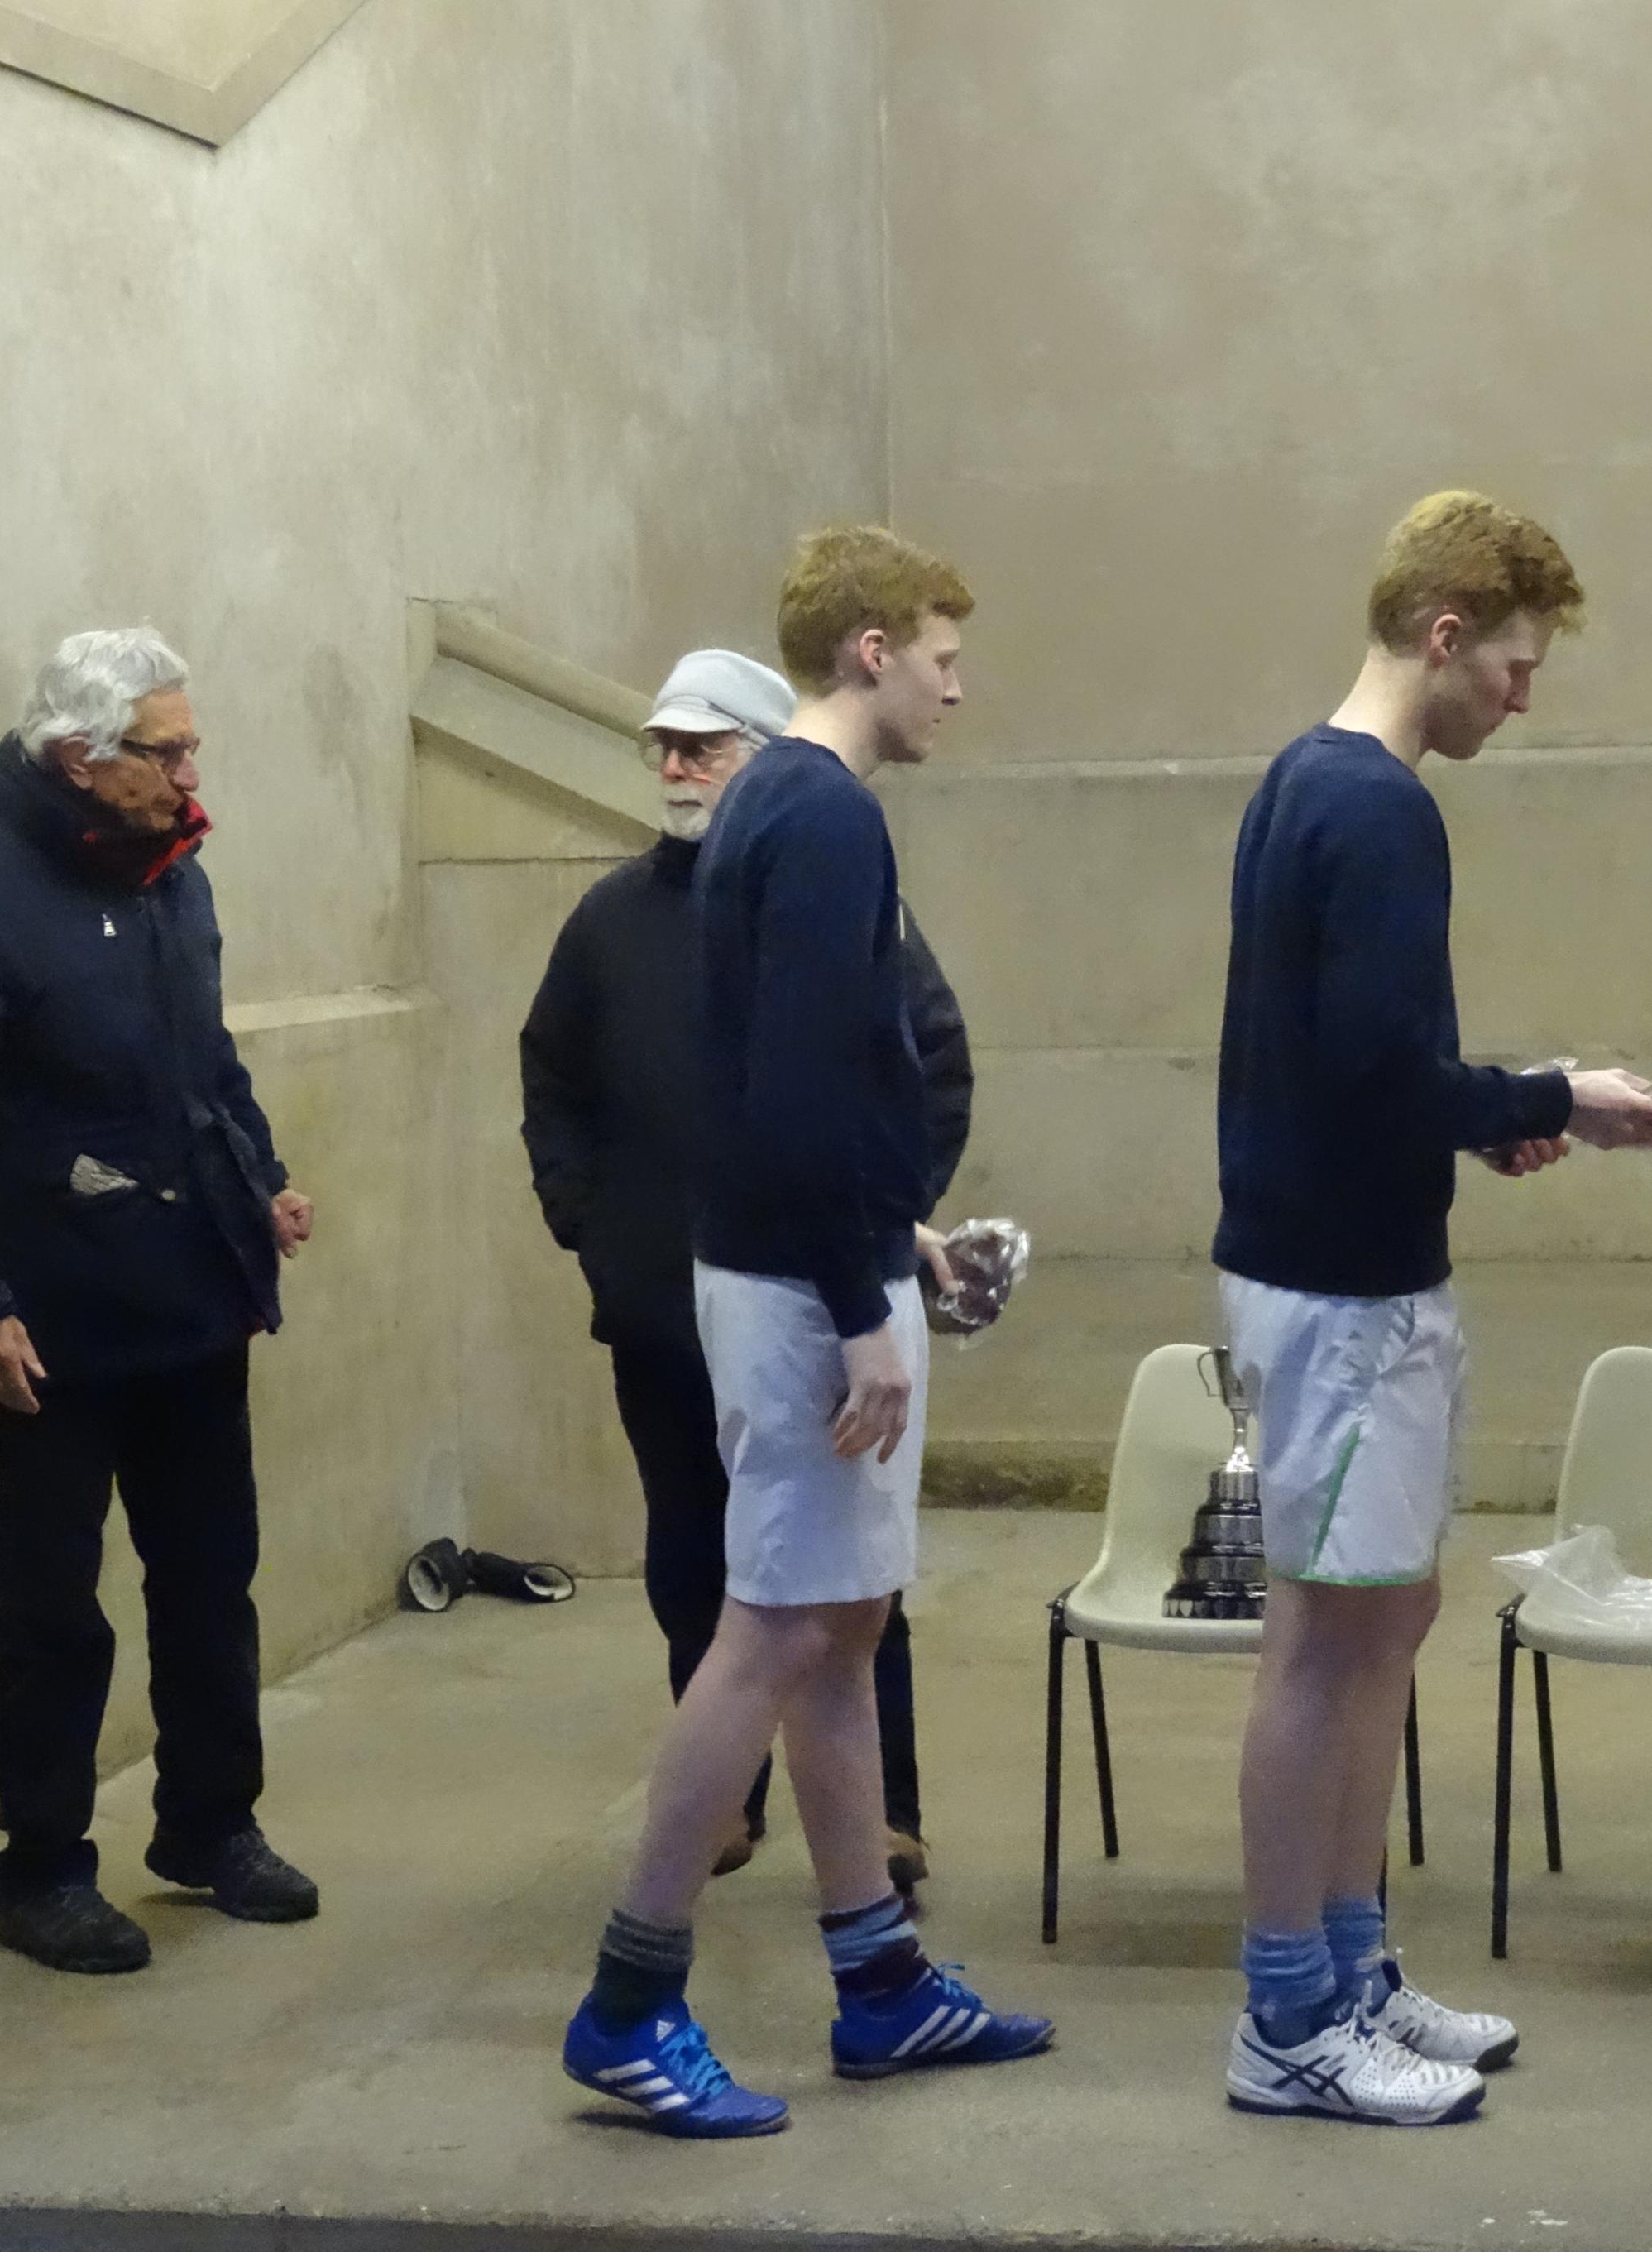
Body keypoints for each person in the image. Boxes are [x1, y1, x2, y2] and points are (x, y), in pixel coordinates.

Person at [559, 528, 1051, 2138]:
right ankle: (629, 2000)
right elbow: (792, 1087)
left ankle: (881, 1978)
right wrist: (865, 1305)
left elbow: (796, 1080)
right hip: (793, 1290)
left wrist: (891, 1235)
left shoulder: (773, 804)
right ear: (865, 652)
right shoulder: (823, 808)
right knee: (770, 1630)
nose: (955, 683)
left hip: (789, 1260)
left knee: (838, 1624)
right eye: (940, 652)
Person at [1214, 491, 1652, 2125]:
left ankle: (1351, 1965)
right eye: (1517, 665)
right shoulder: (1379, 809)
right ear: (1444, 637)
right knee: (1325, 1647)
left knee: (1379, 1627)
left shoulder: (1306, 782)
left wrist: (1488, 1113)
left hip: (1342, 1269)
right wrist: (1564, 1089)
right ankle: (1288, 2017)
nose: (1521, 698)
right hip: (1339, 1295)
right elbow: (1371, 1070)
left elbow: (1370, 1076)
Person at [0, 628, 321, 1976]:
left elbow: (204, 1068)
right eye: (165, 750)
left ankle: (211, 1825)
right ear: (79, 759)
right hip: (45, 1322)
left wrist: (259, 1184)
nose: (189, 770)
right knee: (53, 1605)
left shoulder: (172, 871)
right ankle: (43, 1868)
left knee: (211, 1572)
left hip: (189, 1295)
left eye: (188, 743)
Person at [520, 645, 966, 1890]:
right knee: (724, 1585)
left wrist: (887, 1230)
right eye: (661, 745)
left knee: (845, 1600)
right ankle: (678, 1892)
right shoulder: (618, 916)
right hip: (686, 1302)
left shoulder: (819, 869)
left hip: (811, 1282)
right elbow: (553, 1076)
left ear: (763, 753)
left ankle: (877, 1847)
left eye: (700, 744)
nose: (674, 766)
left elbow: (905, 1070)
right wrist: (593, 1226)